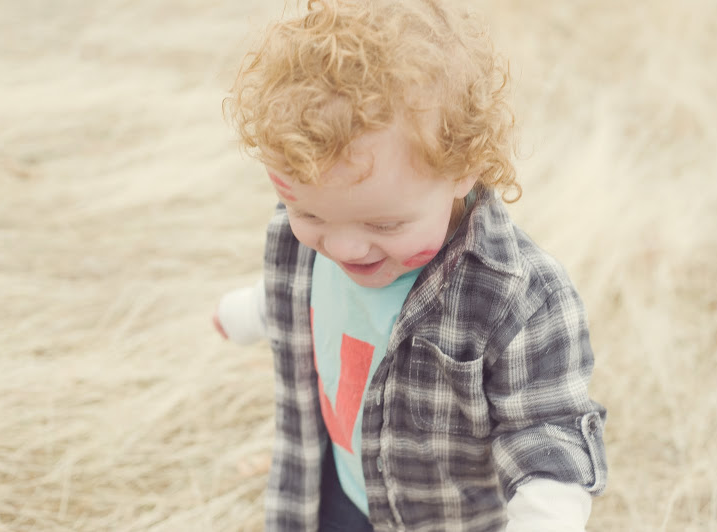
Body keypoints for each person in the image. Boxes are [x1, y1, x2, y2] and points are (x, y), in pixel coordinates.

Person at [213, 0, 608, 530]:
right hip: (333, 488)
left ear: (463, 170)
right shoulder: (312, 230)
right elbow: (298, 296)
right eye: (310, 215)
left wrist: (545, 516)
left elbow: (546, 427)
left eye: (384, 224)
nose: (344, 248)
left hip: (437, 517)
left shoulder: (517, 299)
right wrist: (251, 311)